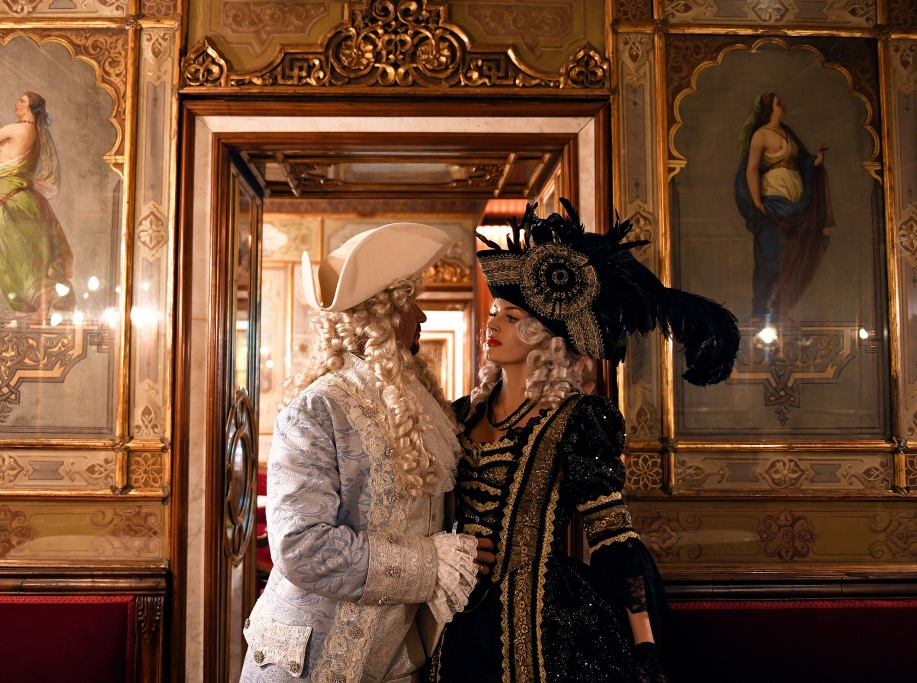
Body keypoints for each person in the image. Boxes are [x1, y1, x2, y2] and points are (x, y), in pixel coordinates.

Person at [429, 200, 740, 683]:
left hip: (547, 623)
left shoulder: (578, 420)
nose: (492, 324)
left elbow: (612, 536)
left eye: (510, 316)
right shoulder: (459, 415)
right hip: (456, 616)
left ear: (545, 335)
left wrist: (645, 646)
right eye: (493, 313)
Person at [241, 222, 494, 682]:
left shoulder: (421, 403)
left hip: (396, 658)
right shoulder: (318, 407)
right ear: (384, 315)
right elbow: (301, 547)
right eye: (411, 304)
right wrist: (429, 563)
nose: (422, 317)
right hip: (311, 663)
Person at [0, 91, 76, 321]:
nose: (17, 103)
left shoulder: (14, 129)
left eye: (22, 101)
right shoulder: (36, 134)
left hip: (8, 199)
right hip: (23, 197)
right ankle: (28, 307)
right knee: (31, 253)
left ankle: (35, 304)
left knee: (13, 255)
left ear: (30, 108)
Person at [734, 92, 834, 322]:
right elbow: (752, 169)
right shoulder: (760, 135)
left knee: (792, 258)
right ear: (770, 109)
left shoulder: (787, 132)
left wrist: (816, 161)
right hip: (772, 203)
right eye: (779, 103)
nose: (784, 106)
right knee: (770, 258)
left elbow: (802, 163)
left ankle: (781, 309)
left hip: (795, 205)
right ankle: (760, 311)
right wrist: (757, 201)